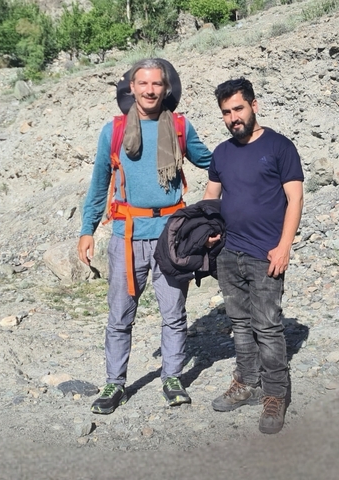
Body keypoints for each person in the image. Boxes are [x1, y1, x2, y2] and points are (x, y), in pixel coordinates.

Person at [78, 58, 212, 414]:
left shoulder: (180, 127)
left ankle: (172, 377)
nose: (150, 90)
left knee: (174, 313)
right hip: (126, 235)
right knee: (120, 315)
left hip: (171, 235)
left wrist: (250, 161)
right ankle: (115, 384)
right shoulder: (114, 130)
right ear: (131, 88)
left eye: (157, 84)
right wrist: (86, 230)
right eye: (143, 84)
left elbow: (214, 163)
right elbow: (98, 184)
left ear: (166, 89)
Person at [202, 78, 304, 434]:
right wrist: (207, 228)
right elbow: (211, 196)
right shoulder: (222, 153)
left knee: (267, 326)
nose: (233, 117)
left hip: (266, 253)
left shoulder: (279, 146)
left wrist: (284, 246)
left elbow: (295, 199)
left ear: (254, 105)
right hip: (229, 253)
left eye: (238, 109)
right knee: (240, 325)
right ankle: (246, 382)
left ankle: (275, 395)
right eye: (226, 112)